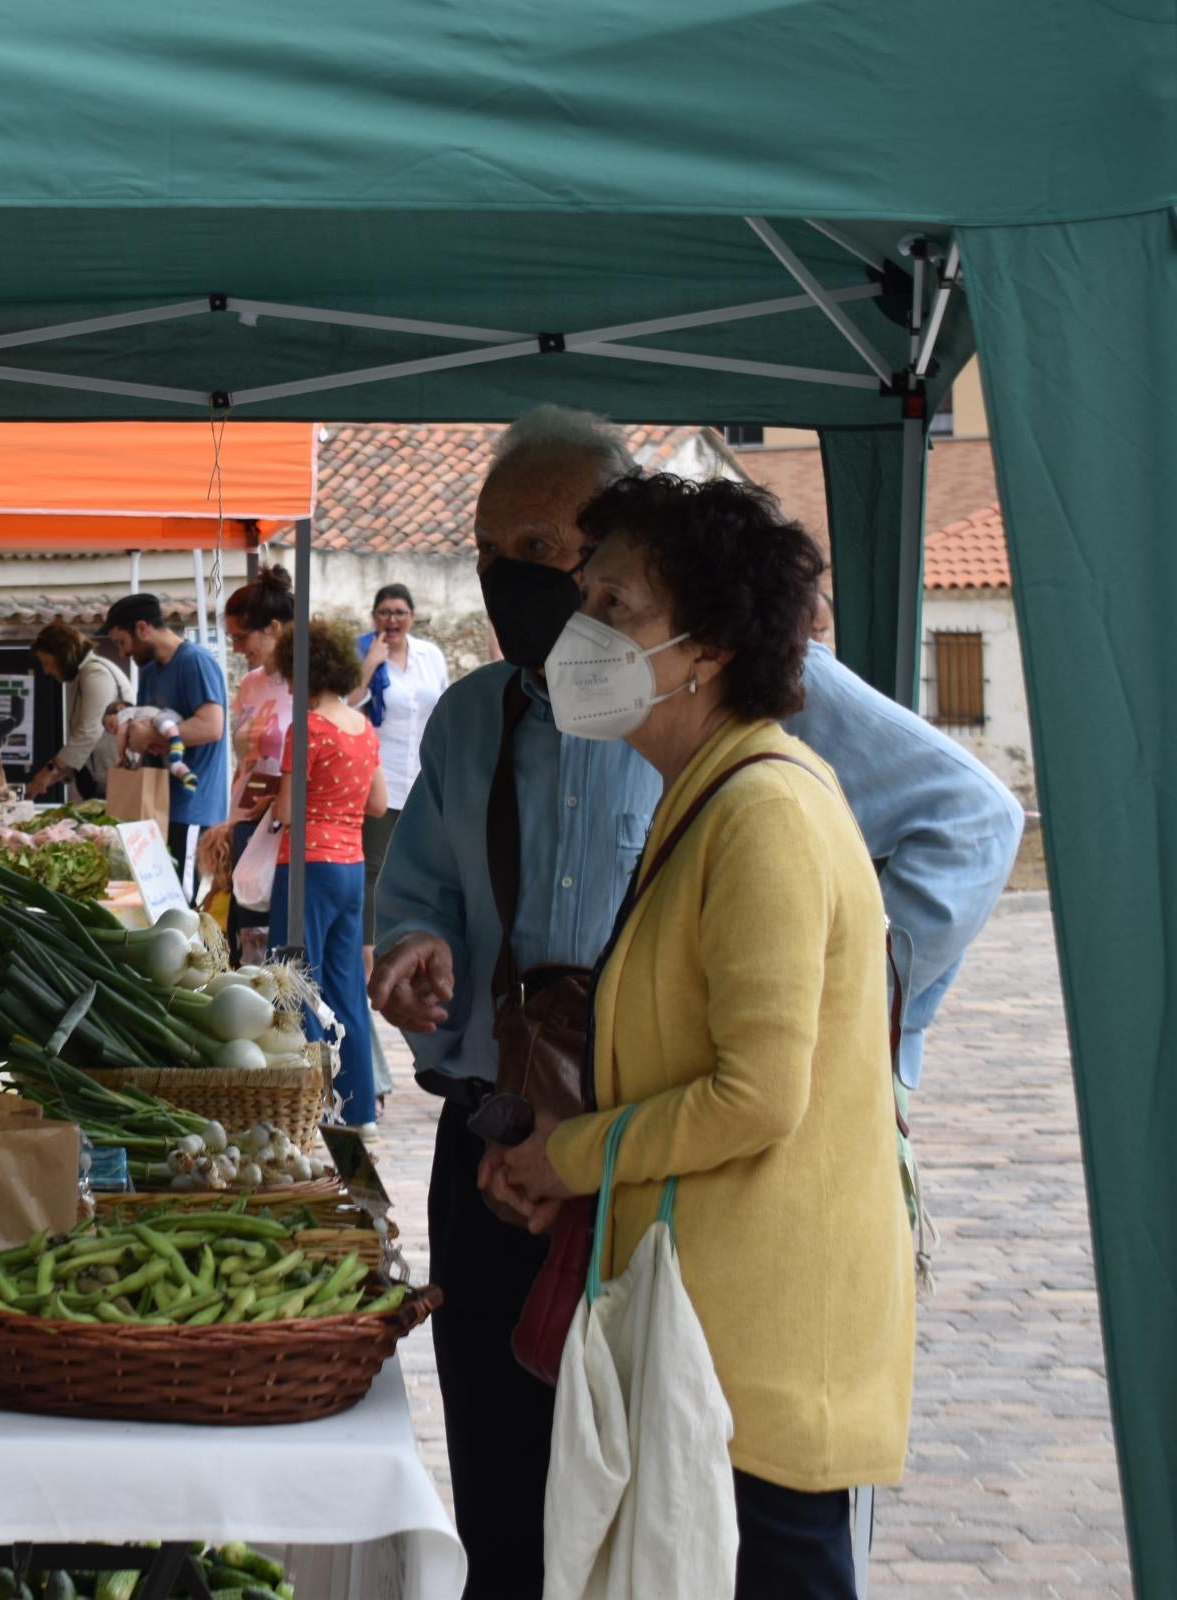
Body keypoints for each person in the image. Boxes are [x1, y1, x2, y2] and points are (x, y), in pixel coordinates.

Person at [368, 404, 1023, 1599]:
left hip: (686, 1220)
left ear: (704, 642)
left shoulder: (761, 784)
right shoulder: (569, 742)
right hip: (544, 1153)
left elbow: (761, 1087)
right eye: (496, 554)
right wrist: (415, 948)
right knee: (549, 1513)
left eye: (584, 583)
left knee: (723, 1525)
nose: (548, 602)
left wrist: (863, 1028)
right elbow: (416, 884)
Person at [483, 473, 913, 1595]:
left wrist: (571, 1156)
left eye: (615, 606)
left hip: (760, 1367)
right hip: (704, 1336)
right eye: (586, 600)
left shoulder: (764, 809)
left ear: (710, 643)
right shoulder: (704, 791)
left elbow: (756, 1093)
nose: (582, 632)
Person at [263, 617, 390, 1123]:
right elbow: (378, 804)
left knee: (296, 986)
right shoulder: (363, 728)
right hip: (350, 866)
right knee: (344, 991)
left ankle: (310, 1107)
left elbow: (286, 812)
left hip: (306, 868)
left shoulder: (308, 728)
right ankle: (359, 1114)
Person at [104, 592, 228, 896]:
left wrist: (153, 737)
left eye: (122, 642)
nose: (122, 653)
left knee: (181, 901)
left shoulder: (194, 661)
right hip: (157, 800)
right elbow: (149, 723)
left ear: (143, 628)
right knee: (157, 896)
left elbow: (212, 726)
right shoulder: (148, 672)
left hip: (192, 806)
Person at [355, 583, 450, 976]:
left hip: (423, 777)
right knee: (374, 869)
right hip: (382, 777)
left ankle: (418, 942)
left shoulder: (430, 655)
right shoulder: (364, 653)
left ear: (411, 616)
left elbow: (443, 705)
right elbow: (346, 704)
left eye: (399, 612)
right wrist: (370, 665)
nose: (392, 620)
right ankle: (370, 956)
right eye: (384, 613)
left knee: (425, 864)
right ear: (374, 617)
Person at [196, 571, 295, 944]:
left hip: (279, 826)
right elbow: (245, 757)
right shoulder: (251, 683)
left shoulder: (307, 684)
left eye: (241, 637)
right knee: (238, 935)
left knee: (270, 936)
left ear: (272, 628)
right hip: (243, 824)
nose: (237, 648)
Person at [25, 620, 133, 800]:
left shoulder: (95, 674)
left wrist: (51, 769)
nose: (46, 671)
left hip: (114, 781)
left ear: (62, 654)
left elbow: (89, 732)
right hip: (98, 779)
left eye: (47, 662)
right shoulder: (83, 675)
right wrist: (53, 774)